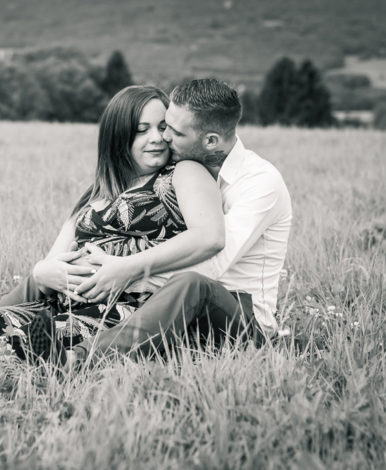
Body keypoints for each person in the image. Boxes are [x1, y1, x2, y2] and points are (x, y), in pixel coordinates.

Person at [0, 85, 226, 361]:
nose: (157, 138)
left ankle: (64, 359)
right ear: (118, 136)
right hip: (64, 296)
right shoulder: (99, 191)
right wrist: (45, 272)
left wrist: (123, 268)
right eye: (141, 130)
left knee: (21, 336)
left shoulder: (182, 173)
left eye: (162, 127)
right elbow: (53, 260)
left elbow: (207, 236)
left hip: (126, 301)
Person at [58, 78, 293, 366]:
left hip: (239, 320)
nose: (164, 136)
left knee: (193, 284)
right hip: (173, 311)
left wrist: (121, 271)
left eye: (175, 131)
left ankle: (77, 360)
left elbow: (213, 264)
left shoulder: (260, 182)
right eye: (165, 124)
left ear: (210, 141)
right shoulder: (179, 173)